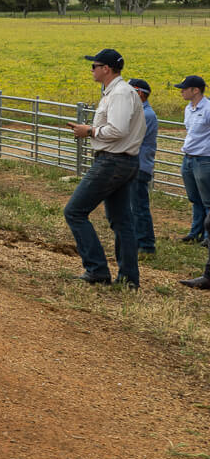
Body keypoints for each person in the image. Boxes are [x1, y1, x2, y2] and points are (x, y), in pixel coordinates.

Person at [65, 47, 145, 288]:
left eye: (94, 66)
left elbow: (118, 129)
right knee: (122, 220)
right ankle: (129, 278)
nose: (91, 70)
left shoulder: (119, 93)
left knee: (75, 211)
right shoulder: (119, 92)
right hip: (125, 161)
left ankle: (97, 269)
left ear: (106, 69)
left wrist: (89, 131)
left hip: (113, 161)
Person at [128, 79, 159, 261]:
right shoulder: (141, 112)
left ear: (140, 94)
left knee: (139, 206)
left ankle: (146, 244)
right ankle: (140, 241)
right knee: (135, 206)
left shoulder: (146, 115)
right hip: (137, 164)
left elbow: (131, 137)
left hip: (139, 165)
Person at [178, 74, 209, 245]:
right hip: (189, 158)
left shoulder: (209, 109)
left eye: (184, 88)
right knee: (195, 198)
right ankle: (195, 232)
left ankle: (207, 236)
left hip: (204, 159)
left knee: (208, 199)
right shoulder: (188, 109)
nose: (181, 91)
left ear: (195, 90)